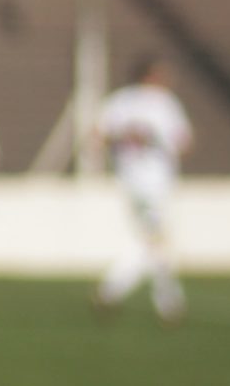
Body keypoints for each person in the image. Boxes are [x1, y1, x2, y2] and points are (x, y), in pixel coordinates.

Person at [92, 55, 191, 322]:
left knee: (152, 241)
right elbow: (184, 143)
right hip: (154, 184)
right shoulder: (164, 103)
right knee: (155, 240)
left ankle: (114, 291)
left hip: (131, 183)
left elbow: (98, 137)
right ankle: (165, 300)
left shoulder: (119, 101)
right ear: (150, 76)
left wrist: (124, 140)